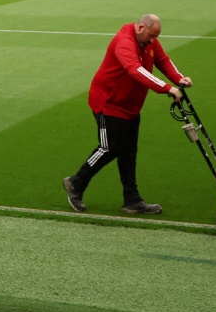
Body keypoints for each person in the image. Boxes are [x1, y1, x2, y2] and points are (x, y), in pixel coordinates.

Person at [63, 14, 190, 215]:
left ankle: (132, 200)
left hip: (130, 105)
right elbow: (135, 69)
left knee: (128, 152)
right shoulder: (124, 42)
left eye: (155, 36)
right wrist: (167, 87)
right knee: (109, 148)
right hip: (109, 103)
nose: (152, 41)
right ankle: (75, 183)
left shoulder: (149, 40)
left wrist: (179, 78)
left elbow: (163, 60)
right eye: (150, 35)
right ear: (140, 27)